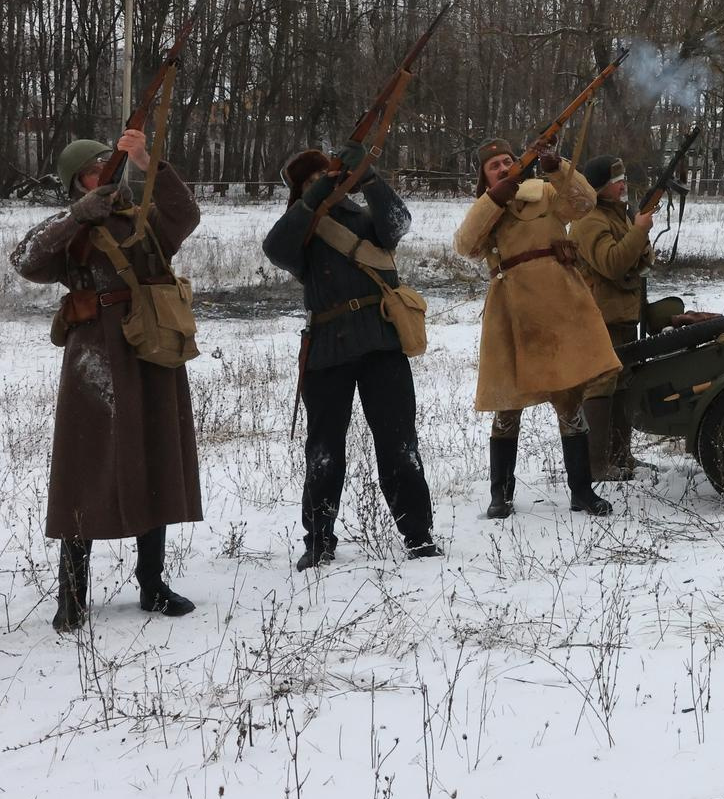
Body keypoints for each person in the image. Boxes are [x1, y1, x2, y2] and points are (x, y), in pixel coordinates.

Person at [12, 130, 201, 633]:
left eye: (109, 166)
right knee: (86, 466)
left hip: (151, 347)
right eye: (95, 171)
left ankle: (152, 583)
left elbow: (185, 216)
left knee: (157, 454)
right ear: (78, 182)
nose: (105, 176)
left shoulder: (142, 217)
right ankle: (71, 594)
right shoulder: (71, 225)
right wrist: (78, 215)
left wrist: (148, 162)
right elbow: (27, 260)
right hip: (94, 351)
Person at [263, 145, 438, 570]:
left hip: (381, 344)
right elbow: (275, 247)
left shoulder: (365, 219)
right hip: (327, 349)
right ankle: (319, 538)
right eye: (308, 181)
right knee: (324, 449)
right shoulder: (300, 229)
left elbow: (398, 223)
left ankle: (417, 534)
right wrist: (314, 196)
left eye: (325, 176)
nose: (320, 185)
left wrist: (371, 179)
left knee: (399, 445)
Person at [454, 139, 621, 518]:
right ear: (483, 175)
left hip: (558, 308)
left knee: (570, 403)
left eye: (508, 160)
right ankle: (500, 495)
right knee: (507, 406)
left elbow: (584, 203)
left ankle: (582, 492)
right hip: (510, 314)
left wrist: (556, 166)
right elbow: (466, 245)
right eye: (494, 164)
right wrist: (494, 199)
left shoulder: (545, 192)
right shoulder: (486, 209)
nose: (502, 167)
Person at [572, 154, 655, 480]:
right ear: (600, 188)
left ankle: (621, 457)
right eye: (615, 181)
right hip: (599, 316)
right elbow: (613, 263)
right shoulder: (589, 221)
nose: (623, 184)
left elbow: (642, 260)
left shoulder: (617, 215)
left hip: (620, 314)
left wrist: (637, 236)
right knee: (600, 386)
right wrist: (638, 233)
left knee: (622, 383)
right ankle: (596, 465)